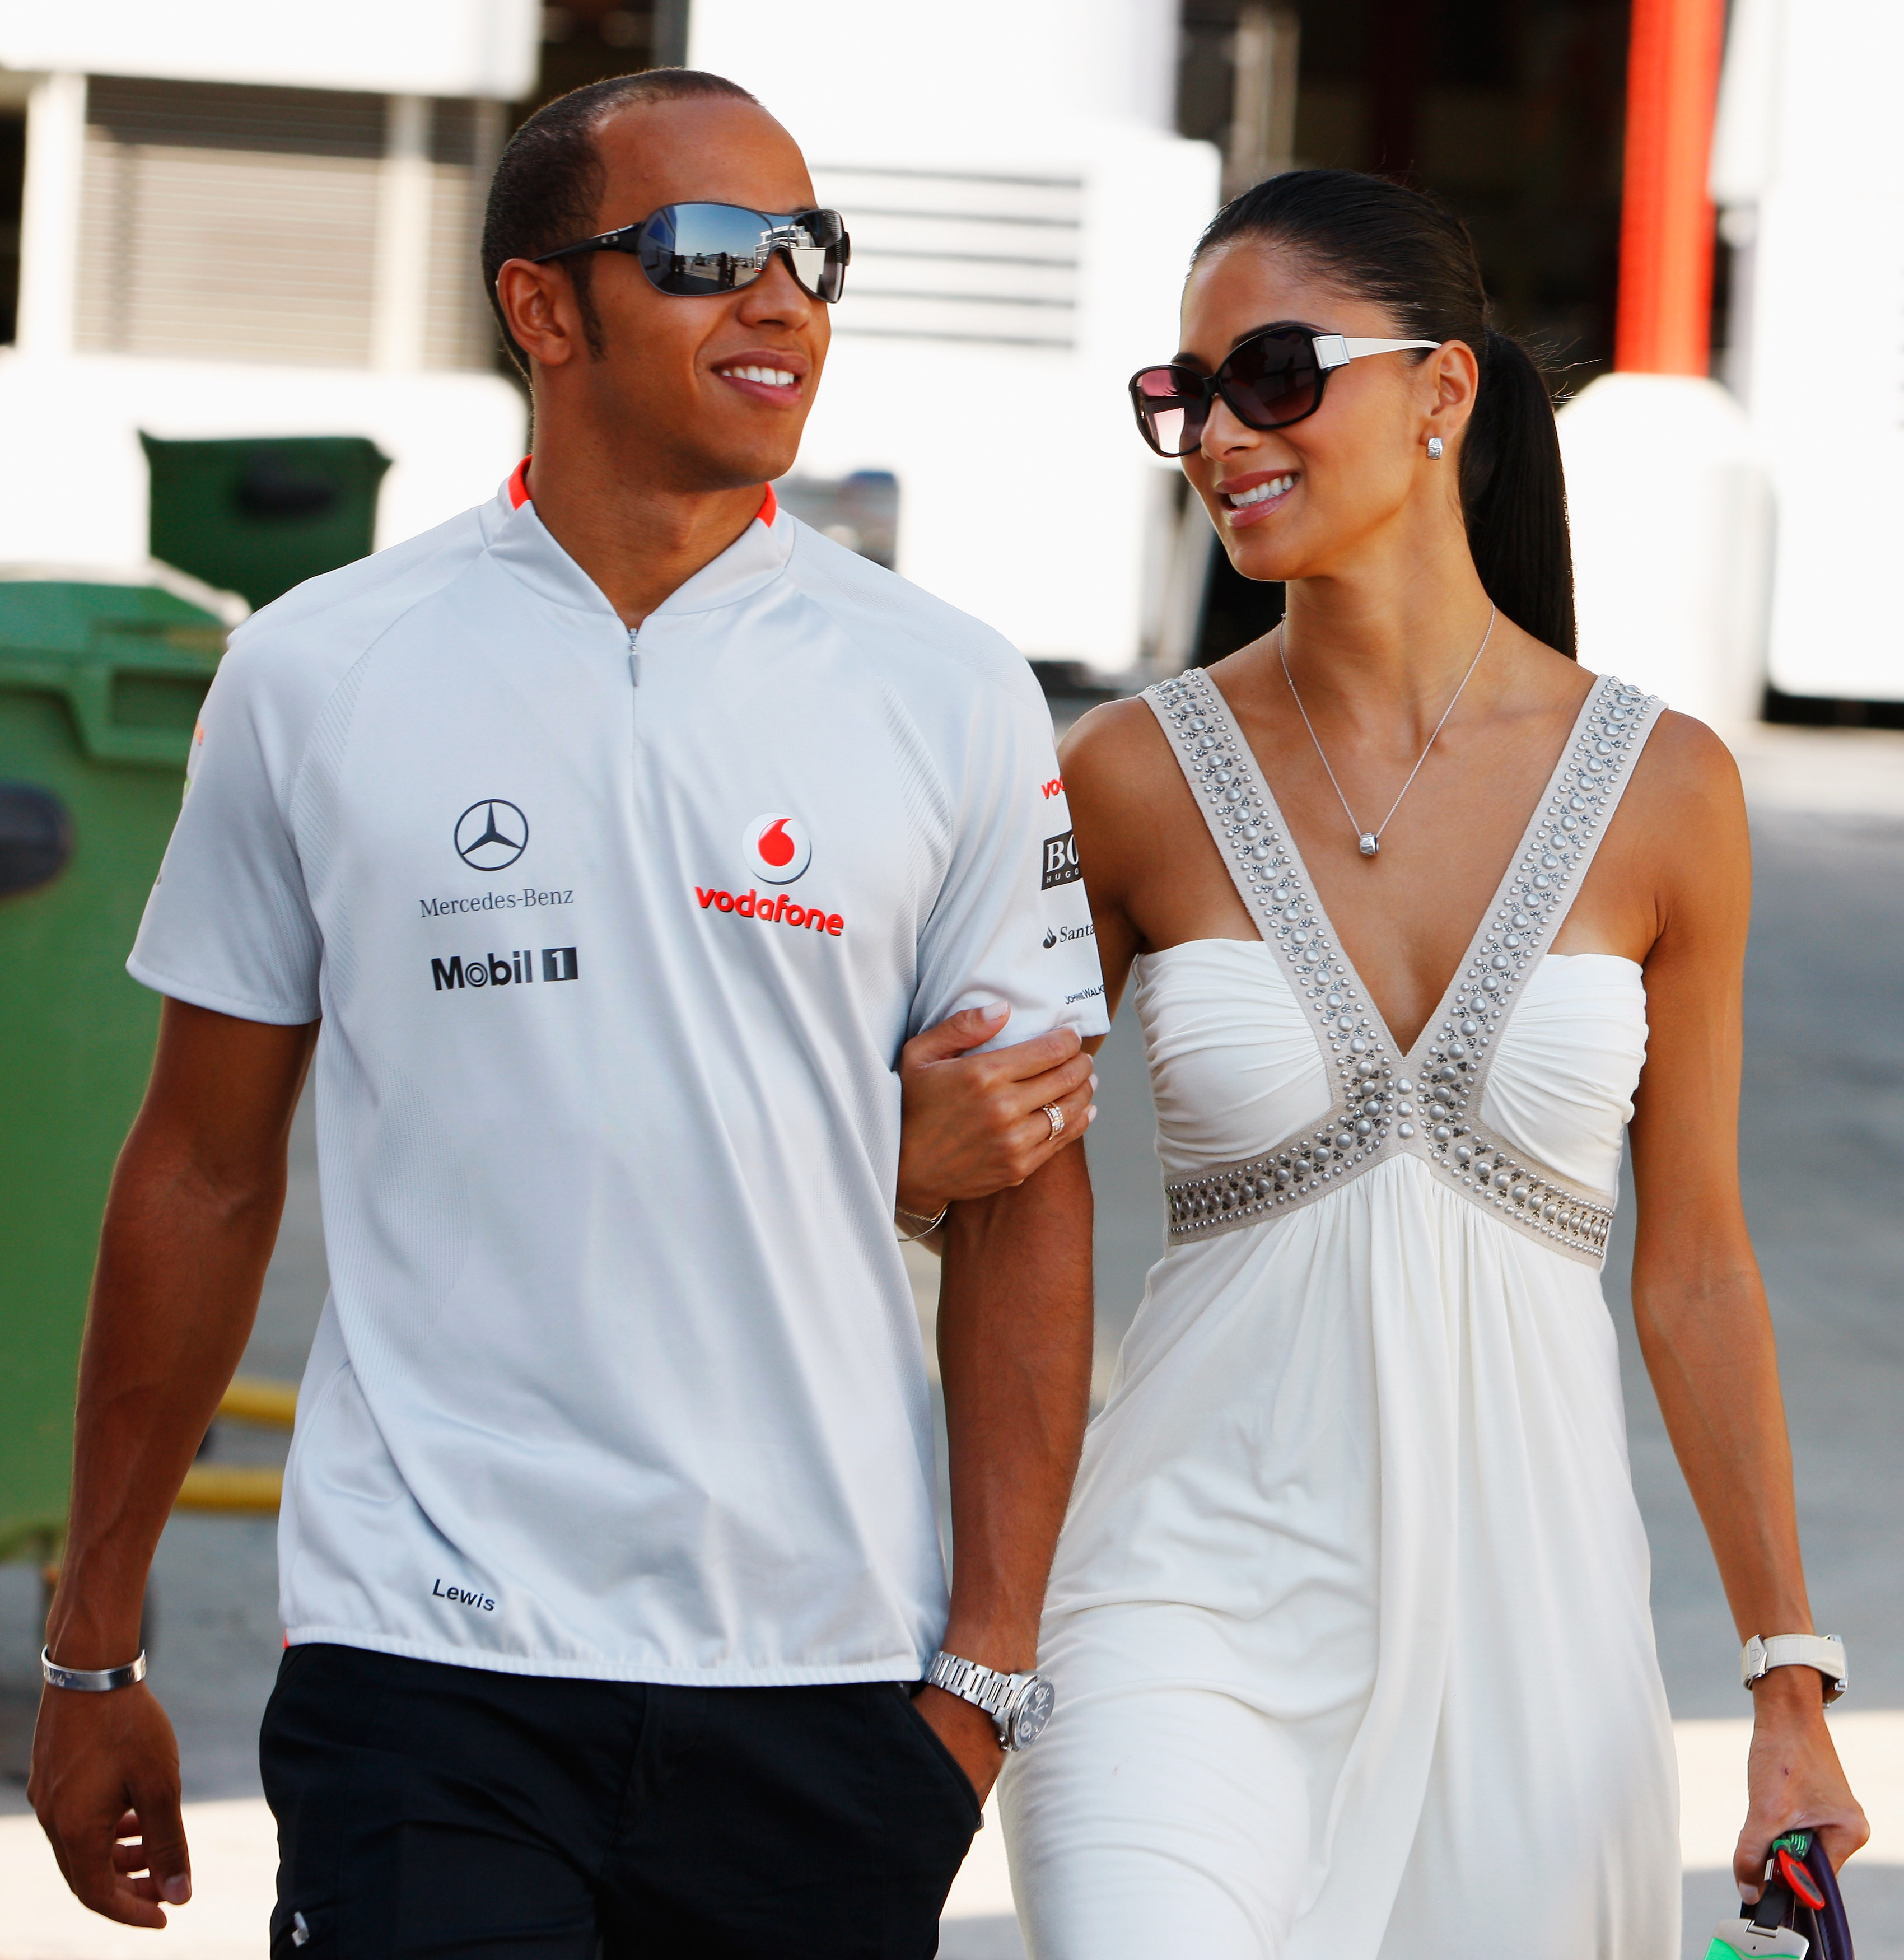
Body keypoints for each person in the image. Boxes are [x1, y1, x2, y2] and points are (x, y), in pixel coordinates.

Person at [29, 70, 1109, 1958]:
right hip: (425, 1663)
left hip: (827, 1679)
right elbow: (202, 1171)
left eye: (811, 254)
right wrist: (92, 1632)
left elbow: (1033, 1183)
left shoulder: (948, 692)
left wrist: (985, 1671)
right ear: (544, 308)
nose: (780, 300)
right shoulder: (316, 672)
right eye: (708, 254)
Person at [972, 170, 1863, 1957]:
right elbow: (987, 1202)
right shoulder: (1128, 775)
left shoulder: (1671, 789)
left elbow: (1691, 1266)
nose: (1221, 432)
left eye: (1276, 374)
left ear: (1445, 390)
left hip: (1535, 1647)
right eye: (1188, 394)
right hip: (1177, 1608)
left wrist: (1786, 1682)